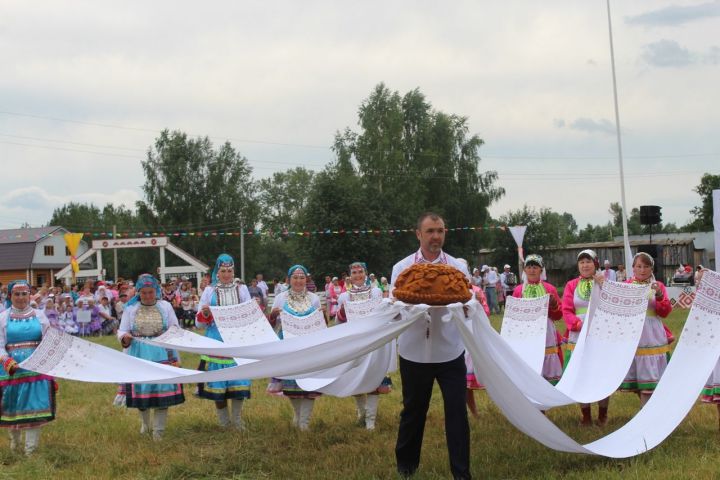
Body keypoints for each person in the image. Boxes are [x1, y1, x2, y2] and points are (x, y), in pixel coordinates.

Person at [391, 212, 472, 480]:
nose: (436, 236)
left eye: (440, 230)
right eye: (430, 231)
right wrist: (410, 307)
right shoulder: (402, 268)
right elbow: (395, 308)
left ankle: (461, 472)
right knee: (413, 411)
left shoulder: (457, 268)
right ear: (418, 234)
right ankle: (406, 467)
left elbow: (468, 304)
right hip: (414, 351)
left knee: (457, 413)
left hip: (450, 351)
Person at [118, 274, 185, 440]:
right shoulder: (130, 309)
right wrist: (125, 337)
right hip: (139, 353)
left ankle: (158, 431)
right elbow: (122, 330)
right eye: (144, 293)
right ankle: (145, 424)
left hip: (161, 352)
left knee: (162, 391)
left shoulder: (165, 307)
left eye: (151, 292)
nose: (148, 296)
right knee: (143, 390)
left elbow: (175, 327)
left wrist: (171, 336)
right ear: (139, 293)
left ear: (156, 291)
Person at [195, 254, 252, 430]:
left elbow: (250, 314)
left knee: (239, 381)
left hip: (237, 341)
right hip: (216, 341)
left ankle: (236, 420)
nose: (226, 274)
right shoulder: (209, 291)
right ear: (217, 272)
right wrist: (205, 314)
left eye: (229, 271)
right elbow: (198, 323)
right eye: (223, 271)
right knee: (218, 384)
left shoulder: (242, 289)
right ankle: (224, 422)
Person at [0, 280, 56, 455]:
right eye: (17, 294)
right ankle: (15, 446)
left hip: (35, 368)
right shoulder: (3, 317)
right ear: (10, 296)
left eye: (24, 294)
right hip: (11, 370)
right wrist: (5, 359)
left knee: (35, 406)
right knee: (12, 406)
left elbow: (49, 341)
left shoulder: (40, 316)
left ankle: (30, 450)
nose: (21, 298)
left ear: (29, 295)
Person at [269, 265, 322, 431]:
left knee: (309, 383)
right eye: (295, 277)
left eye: (302, 277)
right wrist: (274, 315)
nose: (299, 281)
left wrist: (321, 315)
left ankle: (304, 423)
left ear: (306, 280)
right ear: (289, 280)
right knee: (291, 383)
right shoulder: (280, 298)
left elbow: (322, 324)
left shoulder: (314, 298)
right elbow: (271, 324)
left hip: (309, 347)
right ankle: (298, 415)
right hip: (288, 345)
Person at [335, 262, 387, 430]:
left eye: (360, 271)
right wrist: (342, 313)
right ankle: (361, 412)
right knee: (356, 379)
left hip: (373, 341)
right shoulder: (344, 296)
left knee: (373, 379)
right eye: (354, 272)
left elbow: (381, 315)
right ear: (350, 276)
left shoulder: (376, 292)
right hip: (354, 343)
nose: (358, 275)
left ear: (366, 273)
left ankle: (371, 420)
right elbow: (338, 323)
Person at [562, 249, 610, 426]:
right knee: (581, 375)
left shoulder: (604, 282)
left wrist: (604, 286)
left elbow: (613, 304)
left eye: (588, 261)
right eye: (581, 262)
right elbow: (566, 309)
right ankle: (586, 415)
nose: (585, 265)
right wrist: (578, 325)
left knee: (600, 374)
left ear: (595, 264)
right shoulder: (571, 285)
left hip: (599, 333)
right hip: (579, 333)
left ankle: (603, 415)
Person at [618, 252, 672, 406]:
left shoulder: (658, 286)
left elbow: (665, 312)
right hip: (633, 334)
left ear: (651, 268)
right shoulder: (627, 285)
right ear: (633, 268)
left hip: (652, 334)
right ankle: (646, 411)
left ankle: (649, 413)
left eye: (646, 266)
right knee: (640, 379)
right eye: (639, 266)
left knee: (651, 380)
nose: (642, 270)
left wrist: (660, 295)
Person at [512, 255, 563, 385]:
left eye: (535, 267)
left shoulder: (549, 288)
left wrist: (553, 305)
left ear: (541, 270)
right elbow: (513, 316)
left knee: (546, 357)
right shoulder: (518, 290)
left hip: (546, 331)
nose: (532, 270)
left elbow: (558, 315)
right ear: (524, 270)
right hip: (526, 332)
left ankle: (548, 388)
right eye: (529, 267)